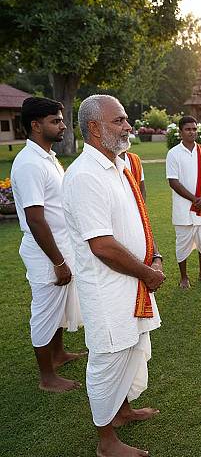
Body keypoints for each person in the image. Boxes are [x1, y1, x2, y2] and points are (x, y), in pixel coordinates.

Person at [62, 94, 165, 457]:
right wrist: (146, 273)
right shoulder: (85, 175)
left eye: (125, 119)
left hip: (133, 281)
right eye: (118, 120)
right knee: (108, 359)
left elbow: (135, 220)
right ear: (94, 128)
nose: (127, 126)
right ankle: (107, 443)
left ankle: (121, 412)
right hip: (109, 290)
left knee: (131, 349)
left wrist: (154, 257)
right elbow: (102, 245)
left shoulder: (118, 164)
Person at [10, 96, 83, 393]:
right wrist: (58, 261)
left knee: (60, 309)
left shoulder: (47, 156)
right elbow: (36, 219)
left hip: (61, 246)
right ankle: (47, 377)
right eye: (56, 121)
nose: (63, 125)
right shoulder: (29, 163)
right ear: (35, 125)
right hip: (46, 253)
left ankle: (58, 355)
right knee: (44, 313)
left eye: (62, 119)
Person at [166, 115, 201, 289]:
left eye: (194, 129)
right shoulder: (173, 154)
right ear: (180, 132)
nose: (192, 132)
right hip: (184, 208)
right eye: (188, 129)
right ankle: (184, 277)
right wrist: (194, 199)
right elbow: (173, 182)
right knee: (183, 242)